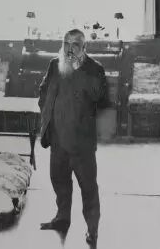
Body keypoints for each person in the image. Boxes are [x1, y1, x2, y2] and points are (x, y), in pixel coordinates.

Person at [37, 29, 109, 245]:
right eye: (66, 43)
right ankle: (62, 218)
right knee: (58, 180)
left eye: (75, 44)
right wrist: (47, 114)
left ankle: (92, 230)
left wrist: (80, 70)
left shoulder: (95, 68)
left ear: (84, 47)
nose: (69, 49)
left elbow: (101, 99)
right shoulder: (54, 64)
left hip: (82, 143)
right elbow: (43, 91)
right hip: (58, 138)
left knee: (88, 188)